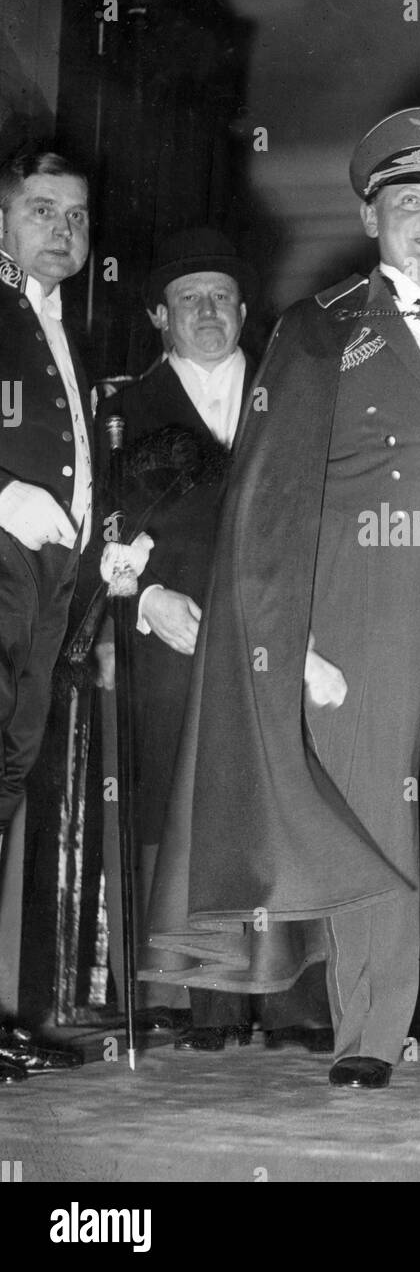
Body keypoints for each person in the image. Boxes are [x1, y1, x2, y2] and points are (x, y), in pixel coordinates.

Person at [146, 106, 420, 1090]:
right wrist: (286, 635)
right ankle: (367, 1031)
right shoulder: (315, 328)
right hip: (361, 603)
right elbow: (270, 500)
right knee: (366, 817)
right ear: (368, 210)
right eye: (406, 201)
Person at [97, 228, 333, 1054]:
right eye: (189, 299)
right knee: (180, 806)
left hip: (279, 634)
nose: (208, 311)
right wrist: (146, 597)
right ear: (160, 315)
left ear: (243, 311)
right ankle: (197, 1002)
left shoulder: (294, 394)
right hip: (172, 644)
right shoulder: (121, 413)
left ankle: (297, 1004)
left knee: (281, 801)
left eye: (223, 298)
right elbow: (100, 528)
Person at [0, 149, 92, 1083]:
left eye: (74, 215)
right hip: (0, 555)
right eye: (39, 211)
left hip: (50, 574)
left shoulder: (65, 323)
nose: (61, 229)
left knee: (8, 780)